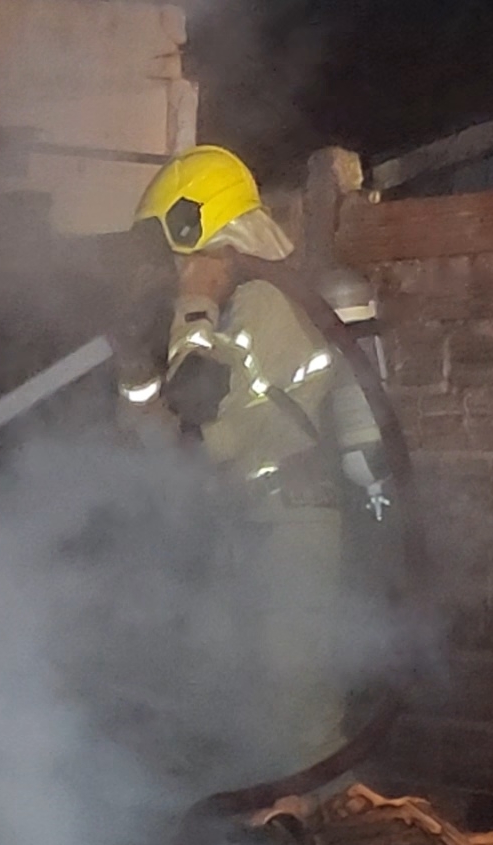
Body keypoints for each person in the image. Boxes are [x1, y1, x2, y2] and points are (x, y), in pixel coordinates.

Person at [117, 144, 390, 772]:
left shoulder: (263, 303)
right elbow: (167, 432)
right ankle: (267, 827)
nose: (174, 266)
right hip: (255, 522)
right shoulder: (241, 304)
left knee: (297, 710)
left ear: (204, 228)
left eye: (178, 250)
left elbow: (207, 422)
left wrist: (195, 302)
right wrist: (134, 378)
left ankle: (322, 840)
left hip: (293, 528)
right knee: (249, 702)